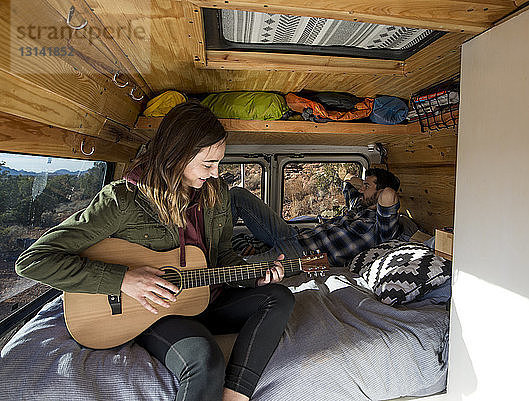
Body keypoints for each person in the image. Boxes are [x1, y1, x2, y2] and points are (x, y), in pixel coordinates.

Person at [15, 101, 294, 401]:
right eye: (208, 164)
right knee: (205, 362)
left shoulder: (218, 194)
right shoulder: (123, 201)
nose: (216, 173)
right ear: (178, 154)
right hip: (158, 311)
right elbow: (33, 261)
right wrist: (123, 280)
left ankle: (236, 395)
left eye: (219, 163)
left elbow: (222, 255)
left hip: (207, 296)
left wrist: (254, 277)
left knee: (279, 297)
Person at [230, 168, 401, 266]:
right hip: (292, 234)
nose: (361, 189)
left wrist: (380, 190)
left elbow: (389, 194)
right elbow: (347, 182)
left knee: (233, 270)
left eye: (366, 186)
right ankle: (217, 248)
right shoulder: (358, 206)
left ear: (379, 192)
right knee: (238, 195)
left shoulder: (382, 228)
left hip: (305, 256)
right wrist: (366, 183)